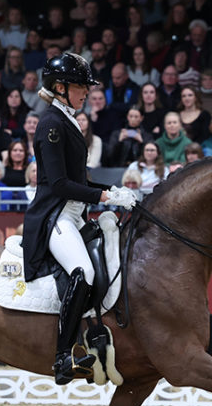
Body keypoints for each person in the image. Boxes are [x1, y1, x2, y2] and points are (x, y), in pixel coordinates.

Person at [22, 52, 136, 384]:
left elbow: (80, 181)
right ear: (60, 87)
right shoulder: (51, 124)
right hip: (55, 216)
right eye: (79, 86)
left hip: (75, 214)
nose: (86, 92)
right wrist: (104, 197)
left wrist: (113, 191)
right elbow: (59, 184)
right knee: (83, 271)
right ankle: (62, 357)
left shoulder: (68, 119)